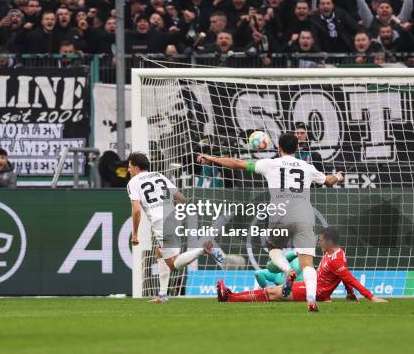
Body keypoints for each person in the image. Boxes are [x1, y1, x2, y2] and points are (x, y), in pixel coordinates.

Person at [197, 133, 345, 312]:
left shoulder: (270, 164)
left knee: (274, 249)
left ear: (278, 149)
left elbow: (237, 163)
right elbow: (328, 181)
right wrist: (337, 176)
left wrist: (211, 158)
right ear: (297, 149)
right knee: (307, 265)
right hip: (304, 215)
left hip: (280, 215)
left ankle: (286, 270)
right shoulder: (307, 167)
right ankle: (311, 300)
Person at [217, 226, 388, 304]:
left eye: (321, 240)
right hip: (310, 287)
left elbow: (349, 278)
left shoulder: (335, 260)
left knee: (272, 293)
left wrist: (370, 297)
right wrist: (349, 294)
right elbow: (343, 278)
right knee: (274, 290)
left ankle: (229, 297)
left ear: (329, 241)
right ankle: (230, 295)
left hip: (313, 291)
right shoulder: (335, 253)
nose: (319, 243)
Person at [127, 152, 213, 303]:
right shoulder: (159, 176)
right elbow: (182, 198)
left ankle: (202, 250)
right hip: (172, 216)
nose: (128, 170)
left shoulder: (133, 182)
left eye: (129, 167)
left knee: (173, 264)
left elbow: (136, 210)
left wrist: (135, 234)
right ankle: (162, 295)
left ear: (135, 168)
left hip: (160, 222)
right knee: (158, 251)